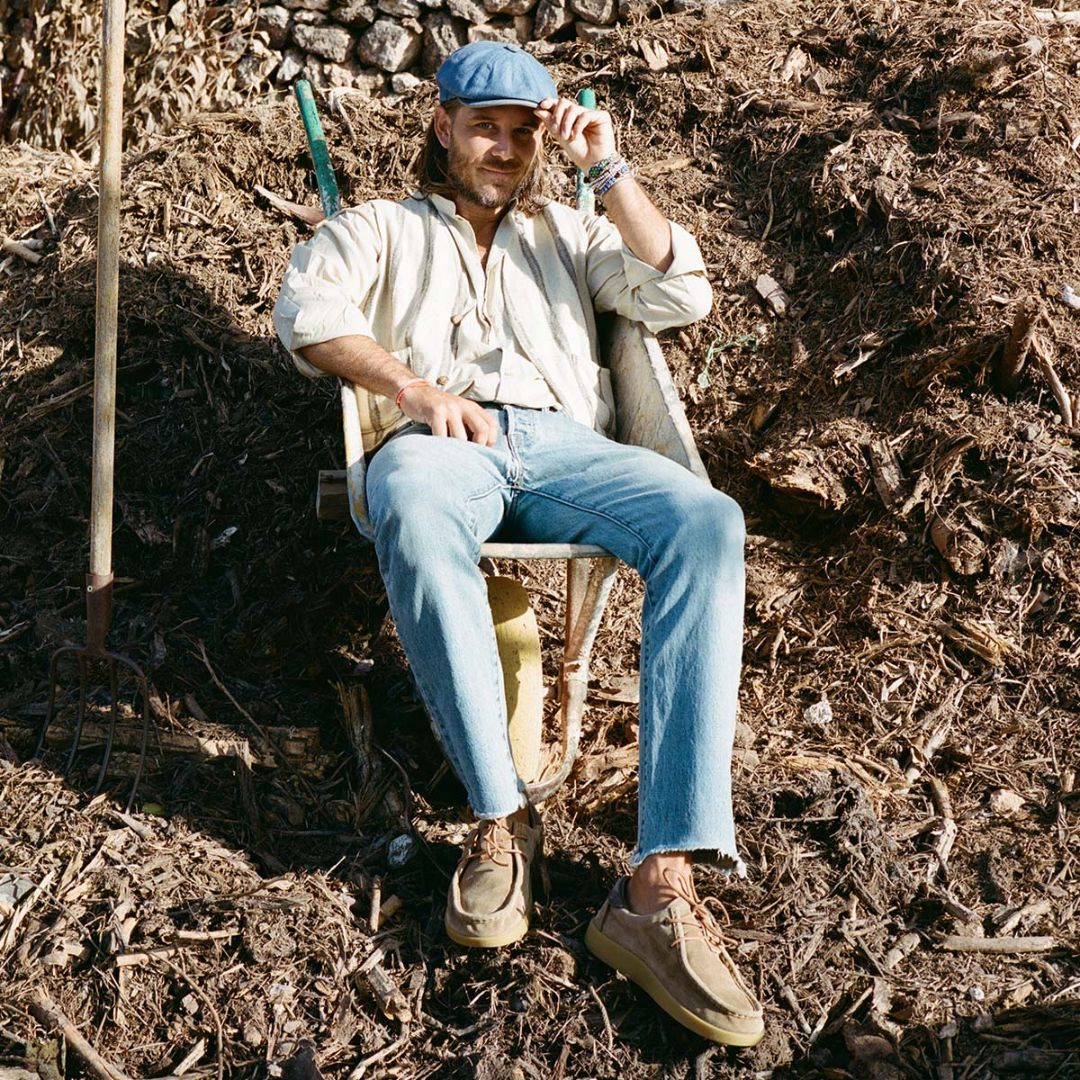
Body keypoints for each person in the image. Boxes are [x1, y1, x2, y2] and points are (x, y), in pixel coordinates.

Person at [273, 41, 763, 1047]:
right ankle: (503, 819)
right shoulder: (382, 228)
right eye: (483, 125)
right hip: (443, 442)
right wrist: (410, 389)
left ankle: (658, 883)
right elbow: (307, 313)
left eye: (521, 131)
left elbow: (683, 296)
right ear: (444, 126)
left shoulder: (573, 233)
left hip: (570, 445)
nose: (501, 147)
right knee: (404, 491)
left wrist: (609, 171)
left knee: (707, 520)